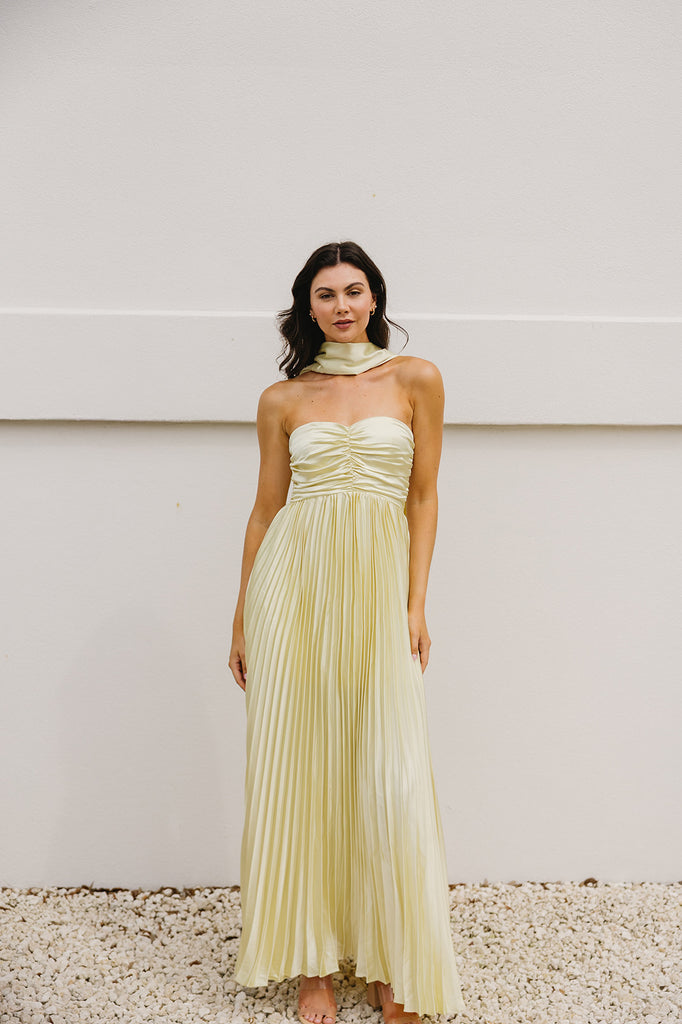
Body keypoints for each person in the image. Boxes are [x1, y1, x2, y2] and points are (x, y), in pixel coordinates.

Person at [229, 242, 465, 1024]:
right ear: (308, 306)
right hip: (293, 588)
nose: (341, 305)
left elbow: (424, 496)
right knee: (301, 766)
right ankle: (312, 965)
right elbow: (265, 511)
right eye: (325, 294)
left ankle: (393, 959)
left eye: (353, 290)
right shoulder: (283, 399)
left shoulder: (416, 378)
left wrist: (415, 604)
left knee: (390, 772)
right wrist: (242, 615)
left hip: (378, 590)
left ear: (375, 298)